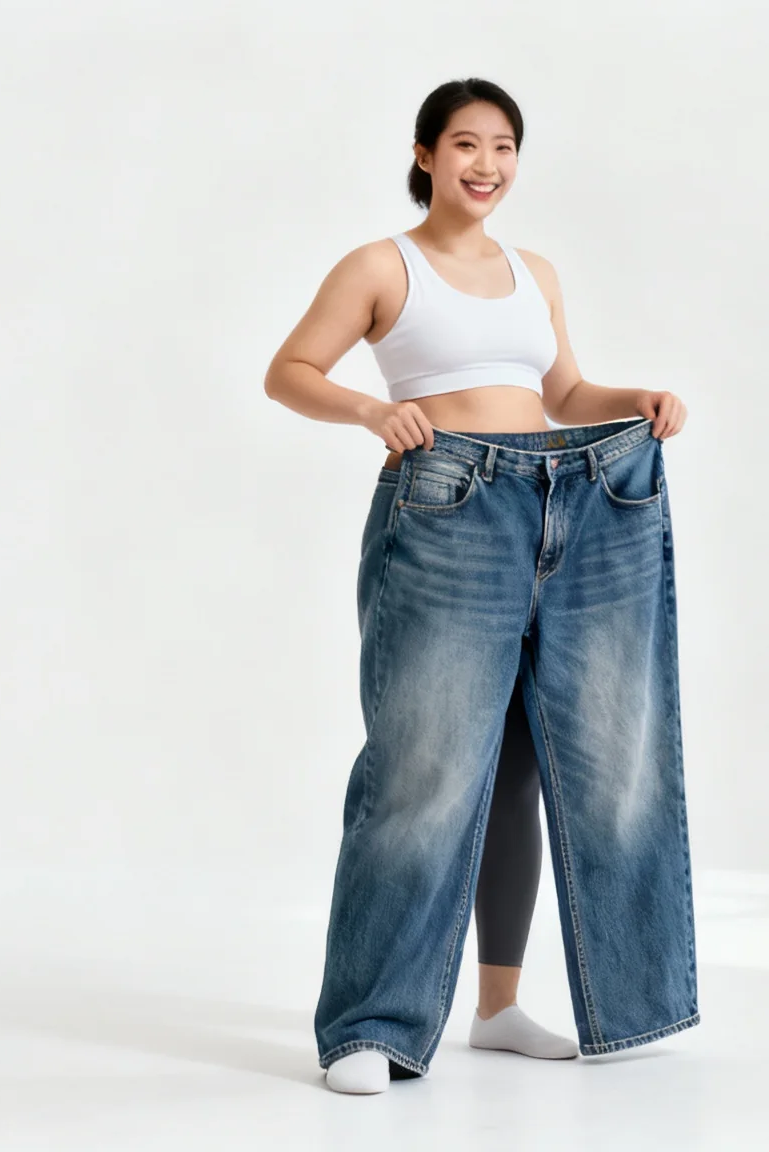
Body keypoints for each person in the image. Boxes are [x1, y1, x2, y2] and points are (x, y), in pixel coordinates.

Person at [263, 77, 690, 1095]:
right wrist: (373, 415)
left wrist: (635, 399)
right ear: (423, 155)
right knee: (420, 771)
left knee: (543, 767)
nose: (485, 166)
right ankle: (370, 1025)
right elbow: (289, 370)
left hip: (575, 500)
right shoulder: (381, 265)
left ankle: (496, 1007)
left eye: (503, 147)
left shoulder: (533, 270)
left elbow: (563, 393)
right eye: (464, 145)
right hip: (451, 505)